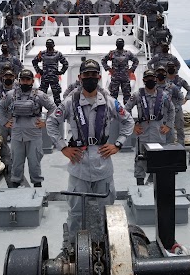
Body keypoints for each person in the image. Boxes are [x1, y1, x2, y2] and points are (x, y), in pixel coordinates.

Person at [46, 58, 134, 242]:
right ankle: (72, 248)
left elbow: (128, 121)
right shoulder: (70, 102)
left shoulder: (110, 102)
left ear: (99, 77)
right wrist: (63, 147)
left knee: (106, 211)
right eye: (86, 75)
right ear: (79, 77)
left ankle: (104, 246)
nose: (90, 78)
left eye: (94, 75)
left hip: (103, 164)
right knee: (76, 212)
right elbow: (52, 123)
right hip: (79, 166)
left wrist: (118, 144)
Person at [0, 69, 56, 188]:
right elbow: (0, 106)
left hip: (34, 133)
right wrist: (4, 122)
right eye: (23, 80)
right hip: (17, 133)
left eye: (27, 80)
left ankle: (37, 182)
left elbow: (53, 108)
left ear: (32, 81)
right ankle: (16, 180)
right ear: (19, 81)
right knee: (16, 160)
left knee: (34, 160)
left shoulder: (39, 95)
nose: (25, 82)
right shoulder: (11, 95)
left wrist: (45, 122)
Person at [125, 69, 175, 185]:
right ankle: (140, 184)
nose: (150, 80)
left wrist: (168, 125)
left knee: (158, 158)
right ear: (143, 80)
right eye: (147, 78)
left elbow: (172, 110)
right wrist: (133, 125)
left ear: (156, 80)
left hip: (158, 132)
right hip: (143, 133)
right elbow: (126, 110)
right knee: (140, 159)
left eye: (152, 78)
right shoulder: (137, 95)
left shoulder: (164, 96)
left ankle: (154, 181)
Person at [32, 39, 68, 105]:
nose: (49, 48)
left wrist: (61, 72)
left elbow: (65, 64)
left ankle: (58, 113)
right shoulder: (42, 54)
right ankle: (38, 112)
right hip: (45, 78)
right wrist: (39, 71)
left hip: (53, 78)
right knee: (41, 97)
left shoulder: (58, 54)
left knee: (57, 99)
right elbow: (34, 61)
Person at [101, 38, 139, 102]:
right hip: (115, 78)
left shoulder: (128, 53)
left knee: (127, 97)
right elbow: (103, 60)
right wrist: (109, 69)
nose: (120, 44)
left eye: (121, 43)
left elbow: (136, 61)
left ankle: (127, 111)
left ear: (123, 44)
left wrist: (131, 70)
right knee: (113, 97)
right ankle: (113, 111)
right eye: (118, 43)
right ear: (116, 44)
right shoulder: (112, 53)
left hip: (125, 78)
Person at [153, 65, 183, 144]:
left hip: (168, 118)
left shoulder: (171, 86)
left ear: (165, 74)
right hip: (155, 119)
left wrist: (176, 108)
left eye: (162, 72)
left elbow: (180, 97)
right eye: (158, 72)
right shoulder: (152, 87)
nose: (160, 73)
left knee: (170, 142)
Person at [166, 61, 190, 145]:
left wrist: (186, 99)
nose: (171, 68)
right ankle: (169, 146)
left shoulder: (180, 80)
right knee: (167, 128)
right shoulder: (163, 80)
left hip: (177, 106)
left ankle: (181, 147)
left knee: (179, 128)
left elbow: (189, 90)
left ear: (175, 68)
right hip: (166, 108)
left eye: (172, 67)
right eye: (169, 67)